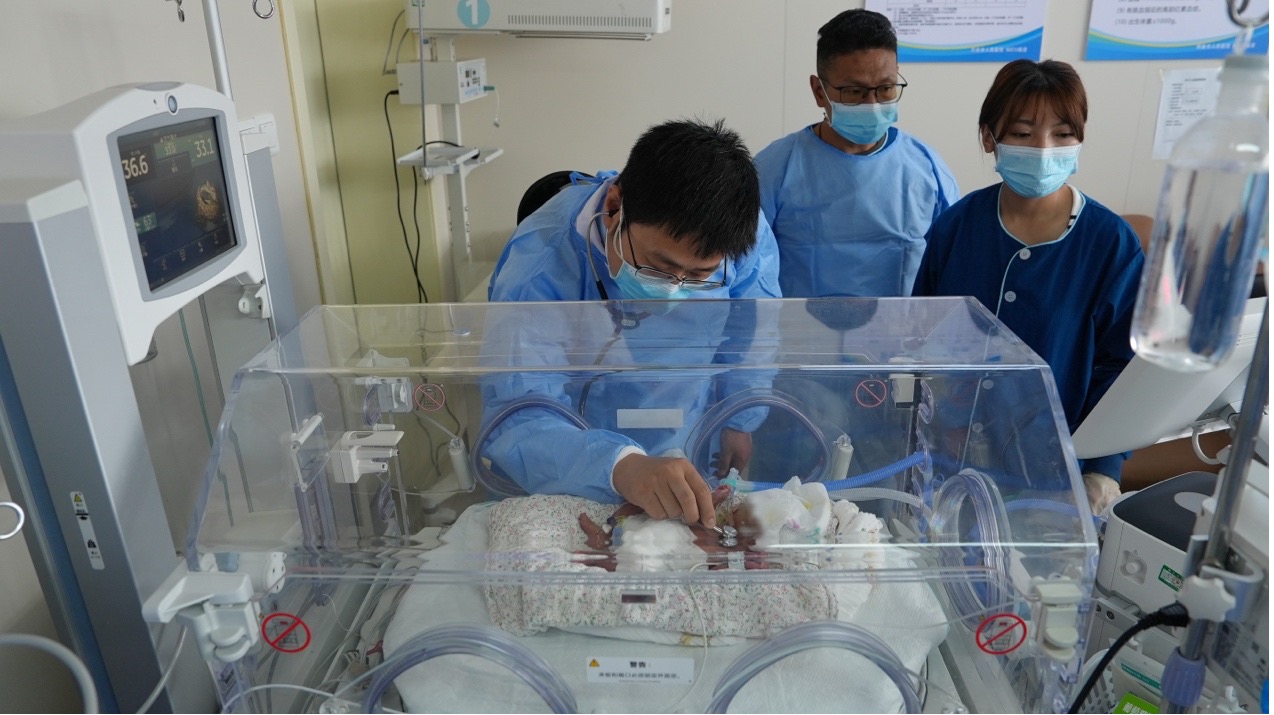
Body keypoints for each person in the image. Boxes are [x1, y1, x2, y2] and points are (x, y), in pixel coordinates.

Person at [483, 118, 782, 529]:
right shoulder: (540, 266)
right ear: (614, 208)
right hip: (574, 453)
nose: (673, 290)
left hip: (692, 426)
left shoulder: (738, 234)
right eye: (659, 266)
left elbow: (753, 333)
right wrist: (618, 466)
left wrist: (739, 418)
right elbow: (519, 413)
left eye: (699, 276)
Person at [912, 59, 1145, 515]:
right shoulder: (957, 227)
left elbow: (1122, 365)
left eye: (1063, 133)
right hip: (947, 459)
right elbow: (921, 338)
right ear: (989, 137)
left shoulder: (1109, 243)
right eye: (1022, 133)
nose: (1044, 148)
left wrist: (1104, 466)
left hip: (1054, 471)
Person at [755, 8, 958, 299]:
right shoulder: (775, 169)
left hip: (902, 327)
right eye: (854, 91)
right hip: (799, 327)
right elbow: (746, 270)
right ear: (819, 91)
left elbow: (951, 266)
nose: (872, 104)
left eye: (886, 88)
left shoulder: (927, 169)